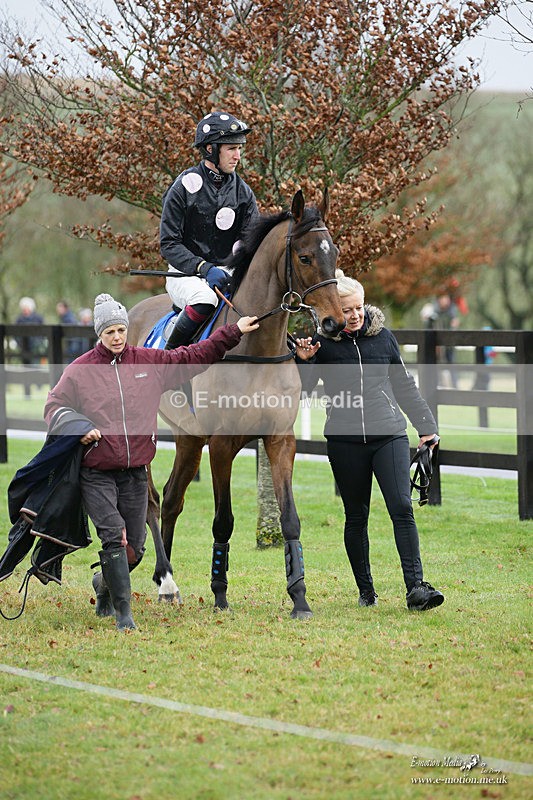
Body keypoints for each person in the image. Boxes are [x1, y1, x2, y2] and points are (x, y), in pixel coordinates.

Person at [43, 293, 259, 630]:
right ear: (99, 334)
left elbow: (193, 355)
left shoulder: (148, 362)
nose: (116, 337)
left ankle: (103, 584)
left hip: (135, 472)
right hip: (97, 471)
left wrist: (233, 332)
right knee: (114, 537)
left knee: (137, 549)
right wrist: (80, 428)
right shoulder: (80, 370)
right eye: (109, 332)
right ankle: (124, 614)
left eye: (120, 330)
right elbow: (54, 406)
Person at [295, 271, 444, 612]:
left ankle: (416, 587)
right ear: (333, 311)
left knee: (402, 508)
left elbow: (404, 385)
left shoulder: (383, 338)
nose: (355, 314)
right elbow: (301, 393)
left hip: (388, 434)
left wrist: (426, 426)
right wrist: (303, 363)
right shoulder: (322, 346)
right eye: (347, 309)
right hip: (345, 441)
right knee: (356, 516)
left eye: (359, 306)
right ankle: (366, 592)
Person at [159, 110, 259, 349]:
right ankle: (169, 362)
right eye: (231, 149)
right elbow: (169, 243)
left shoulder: (243, 192)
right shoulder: (182, 187)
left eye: (239, 149)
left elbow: (251, 241)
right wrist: (203, 267)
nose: (238, 156)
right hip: (186, 275)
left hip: (228, 273)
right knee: (205, 299)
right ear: (211, 149)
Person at [421, 292, 460, 387]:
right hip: (435, 343)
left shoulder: (452, 309)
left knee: (451, 364)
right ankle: (436, 385)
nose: (446, 301)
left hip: (449, 343)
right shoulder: (432, 309)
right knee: (434, 365)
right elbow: (428, 325)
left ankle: (455, 386)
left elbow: (454, 323)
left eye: (447, 298)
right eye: (444, 298)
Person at [15, 297, 45, 398]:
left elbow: (43, 332)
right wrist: (20, 344)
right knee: (25, 370)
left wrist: (38, 343)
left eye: (27, 308)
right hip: (24, 349)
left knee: (36, 367)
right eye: (24, 308)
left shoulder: (38, 318)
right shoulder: (19, 319)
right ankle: (27, 392)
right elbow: (16, 334)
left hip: (35, 348)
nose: (25, 310)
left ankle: (39, 384)